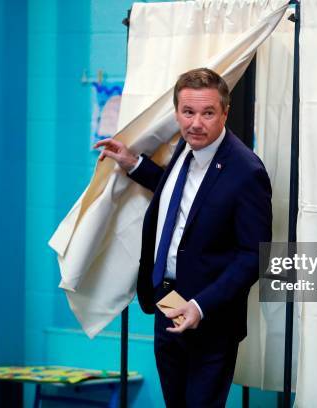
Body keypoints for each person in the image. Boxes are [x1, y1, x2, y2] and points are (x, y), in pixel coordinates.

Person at [95, 68, 272, 407]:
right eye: (188, 112)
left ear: (224, 112)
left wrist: (200, 306)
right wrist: (133, 163)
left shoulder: (246, 171)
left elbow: (253, 255)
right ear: (176, 112)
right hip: (167, 301)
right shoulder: (185, 148)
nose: (196, 123)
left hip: (210, 315)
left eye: (207, 113)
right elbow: (180, 197)